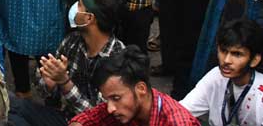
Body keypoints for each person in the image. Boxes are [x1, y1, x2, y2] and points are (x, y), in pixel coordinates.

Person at [9, 0, 126, 124]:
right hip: (65, 118)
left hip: (90, 123)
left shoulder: (118, 60)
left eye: (80, 5)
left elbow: (99, 117)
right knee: (10, 107)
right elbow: (45, 87)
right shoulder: (72, 41)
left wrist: (65, 82)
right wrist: (49, 83)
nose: (74, 8)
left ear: (89, 18)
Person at [69, 46, 200, 125]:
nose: (110, 109)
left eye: (115, 98)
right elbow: (87, 119)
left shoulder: (177, 122)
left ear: (141, 89)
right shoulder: (126, 105)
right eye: (107, 99)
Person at [181, 19, 263, 126]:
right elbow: (181, 111)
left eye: (237, 54)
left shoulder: (261, 91)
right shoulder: (216, 76)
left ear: (254, 60)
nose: (226, 60)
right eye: (223, 51)